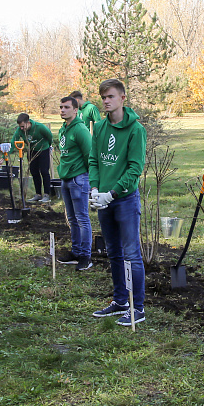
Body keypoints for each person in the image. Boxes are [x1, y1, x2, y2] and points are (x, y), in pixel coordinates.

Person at [89, 79, 147, 326]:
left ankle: (138, 308)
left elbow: (135, 169)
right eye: (103, 97)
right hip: (103, 201)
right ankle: (120, 301)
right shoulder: (100, 128)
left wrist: (112, 193)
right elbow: (94, 161)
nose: (105, 101)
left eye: (110, 96)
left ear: (123, 98)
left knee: (132, 254)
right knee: (113, 252)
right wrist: (94, 190)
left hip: (124, 200)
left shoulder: (136, 130)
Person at [55, 96, 93, 271]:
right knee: (72, 218)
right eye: (61, 107)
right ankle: (76, 252)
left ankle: (86, 256)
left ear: (75, 110)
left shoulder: (80, 130)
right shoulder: (64, 129)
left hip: (79, 179)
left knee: (82, 218)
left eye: (66, 107)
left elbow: (89, 156)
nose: (62, 110)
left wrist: (90, 180)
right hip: (65, 179)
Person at [11, 113, 53, 204]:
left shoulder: (40, 127)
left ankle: (46, 194)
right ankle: (38, 194)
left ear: (28, 122)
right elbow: (13, 142)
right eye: (20, 127)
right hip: (31, 151)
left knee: (44, 171)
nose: (21, 128)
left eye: (23, 126)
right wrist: (5, 155)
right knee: (34, 172)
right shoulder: (20, 130)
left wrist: (48, 146)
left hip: (43, 150)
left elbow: (49, 136)